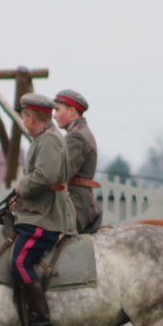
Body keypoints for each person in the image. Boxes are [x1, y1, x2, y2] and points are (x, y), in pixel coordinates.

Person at [10, 92, 78, 326]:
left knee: (20, 261)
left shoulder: (49, 140)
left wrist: (20, 187)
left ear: (31, 117)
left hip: (47, 218)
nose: (24, 121)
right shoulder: (42, 138)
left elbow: (45, 177)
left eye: (25, 116)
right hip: (36, 213)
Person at [54, 89, 102, 233]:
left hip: (76, 208)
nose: (54, 115)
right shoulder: (80, 133)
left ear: (72, 111)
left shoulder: (76, 137)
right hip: (79, 205)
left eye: (57, 110)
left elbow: (59, 174)